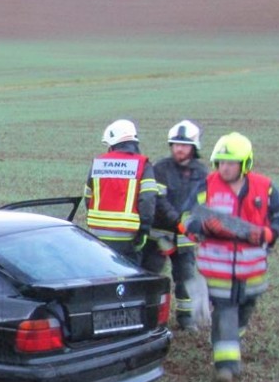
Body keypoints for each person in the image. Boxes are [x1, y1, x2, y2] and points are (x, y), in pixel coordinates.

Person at [182, 132, 279, 382]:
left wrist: (269, 232)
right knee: (225, 310)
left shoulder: (265, 187)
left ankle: (228, 339)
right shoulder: (207, 186)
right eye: (220, 162)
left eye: (231, 163)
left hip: (252, 270)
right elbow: (187, 217)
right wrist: (204, 227)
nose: (225, 168)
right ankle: (226, 367)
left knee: (245, 308)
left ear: (245, 164)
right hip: (217, 268)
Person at [143, 120, 210, 329]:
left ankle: (185, 317)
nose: (179, 148)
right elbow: (159, 201)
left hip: (185, 238)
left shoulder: (202, 172)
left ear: (194, 148)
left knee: (185, 277)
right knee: (152, 276)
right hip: (160, 235)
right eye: (175, 144)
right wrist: (178, 221)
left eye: (184, 145)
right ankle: (149, 316)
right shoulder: (160, 168)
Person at [84, 119, 158, 263]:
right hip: (128, 236)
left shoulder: (99, 162)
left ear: (112, 143)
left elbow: (88, 196)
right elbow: (148, 199)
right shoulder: (142, 164)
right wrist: (144, 229)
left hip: (97, 234)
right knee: (128, 275)